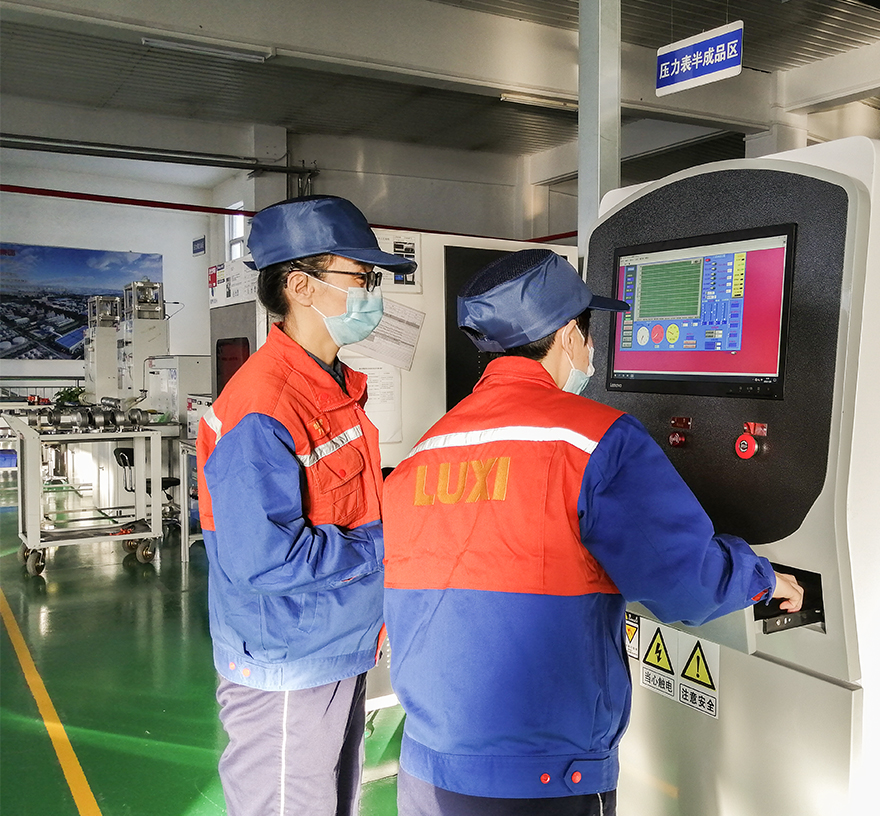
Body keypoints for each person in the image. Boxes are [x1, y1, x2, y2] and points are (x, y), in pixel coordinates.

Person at [381, 248, 804, 815]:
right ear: (566, 336)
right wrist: (762, 578)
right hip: (545, 778)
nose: (591, 350)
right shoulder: (597, 441)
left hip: (429, 770)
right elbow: (688, 585)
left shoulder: (425, 450)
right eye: (587, 333)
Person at [197, 195, 415, 816]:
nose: (372, 293)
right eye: (361, 277)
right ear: (300, 286)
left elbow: (343, 501)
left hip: (335, 640)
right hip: (287, 656)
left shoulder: (330, 386)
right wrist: (394, 542)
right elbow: (263, 559)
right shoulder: (265, 404)